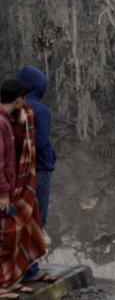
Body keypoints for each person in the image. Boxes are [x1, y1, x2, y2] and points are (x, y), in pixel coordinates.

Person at [0, 79, 45, 298]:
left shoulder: (8, 121)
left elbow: (15, 148)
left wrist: (20, 124)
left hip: (10, 187)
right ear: (18, 99)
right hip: (4, 191)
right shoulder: (0, 122)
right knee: (5, 238)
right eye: (24, 99)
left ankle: (8, 281)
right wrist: (3, 192)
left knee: (13, 236)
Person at [17, 66, 56, 284]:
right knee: (36, 218)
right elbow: (40, 142)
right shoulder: (39, 110)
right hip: (38, 169)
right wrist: (50, 158)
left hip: (17, 170)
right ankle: (30, 269)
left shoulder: (11, 107)